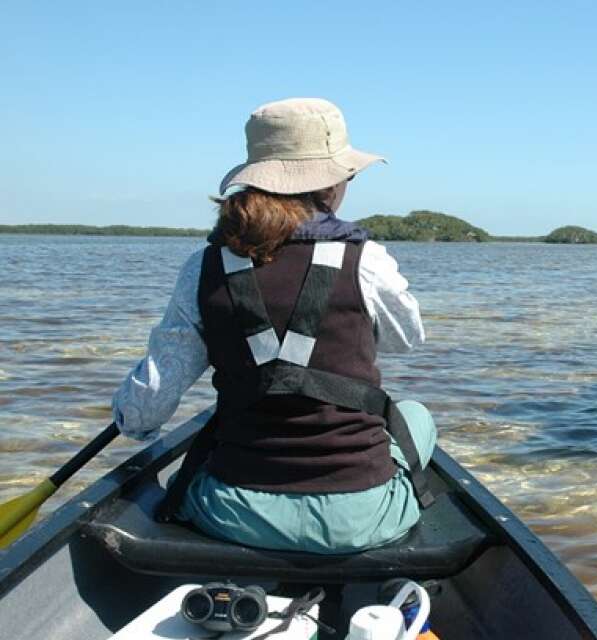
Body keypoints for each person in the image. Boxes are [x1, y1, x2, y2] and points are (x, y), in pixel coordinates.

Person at [111, 98, 435, 554]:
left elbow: (148, 407)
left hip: (234, 514)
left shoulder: (201, 268)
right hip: (358, 521)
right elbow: (408, 340)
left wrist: (130, 420)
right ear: (332, 183)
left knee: (208, 441)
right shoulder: (366, 260)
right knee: (416, 416)